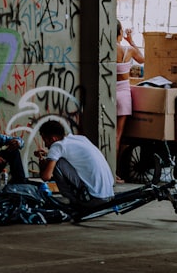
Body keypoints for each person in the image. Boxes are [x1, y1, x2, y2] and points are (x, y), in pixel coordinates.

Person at [35, 121, 115, 206]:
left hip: (94, 199)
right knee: (58, 160)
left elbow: (46, 177)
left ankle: (73, 201)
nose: (45, 144)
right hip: (109, 196)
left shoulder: (57, 146)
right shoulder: (80, 139)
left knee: (57, 163)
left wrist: (42, 162)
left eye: (45, 141)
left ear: (53, 139)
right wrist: (48, 154)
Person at [116, 22, 145, 180]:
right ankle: (115, 173)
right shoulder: (128, 50)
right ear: (121, 32)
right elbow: (142, 60)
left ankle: (110, 172)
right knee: (118, 136)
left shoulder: (106, 49)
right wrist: (131, 40)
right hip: (123, 94)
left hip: (108, 93)